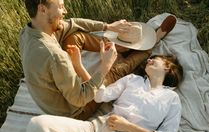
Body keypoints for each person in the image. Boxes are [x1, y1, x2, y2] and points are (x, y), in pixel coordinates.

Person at [20, 0, 177, 120]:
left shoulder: (29, 31)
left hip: (61, 85)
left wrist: (108, 27)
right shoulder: (55, 56)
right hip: (74, 110)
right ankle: (150, 45)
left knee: (75, 36)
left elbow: (73, 24)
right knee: (114, 72)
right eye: (60, 6)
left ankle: (122, 47)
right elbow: (81, 98)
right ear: (42, 9)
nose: (65, 10)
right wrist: (105, 66)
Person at [22, 54, 183, 132]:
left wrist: (127, 127)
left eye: (155, 59)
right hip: (94, 128)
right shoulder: (132, 79)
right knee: (38, 126)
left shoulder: (171, 99)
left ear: (168, 66)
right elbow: (100, 95)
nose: (149, 59)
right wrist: (79, 66)